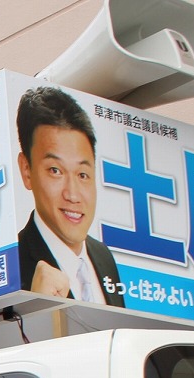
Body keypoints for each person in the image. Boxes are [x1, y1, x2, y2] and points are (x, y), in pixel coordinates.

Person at [16, 85, 123, 307]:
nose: (73, 195)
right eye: (55, 171)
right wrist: (35, 306)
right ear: (27, 170)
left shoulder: (103, 256)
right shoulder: (12, 264)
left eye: (83, 174)